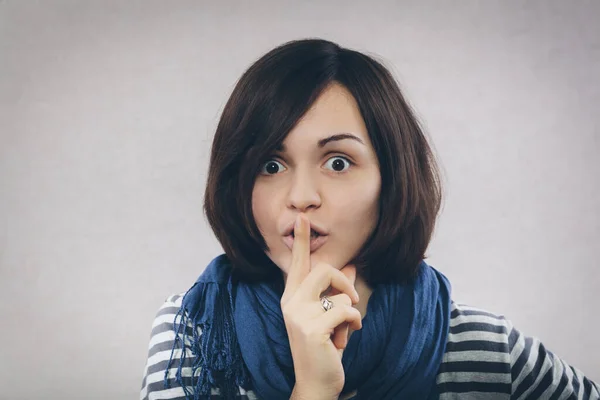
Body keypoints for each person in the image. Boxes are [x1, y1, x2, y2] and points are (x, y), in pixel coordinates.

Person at [139, 38, 599, 400]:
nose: (301, 197)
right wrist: (314, 390)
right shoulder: (192, 334)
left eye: (338, 162)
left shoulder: (484, 348)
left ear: (392, 178)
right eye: (271, 165)